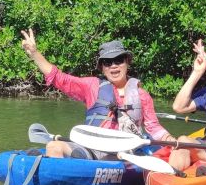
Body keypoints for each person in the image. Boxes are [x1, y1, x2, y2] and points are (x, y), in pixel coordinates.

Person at [19, 29, 175, 159]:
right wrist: (34, 53)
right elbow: (60, 79)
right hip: (91, 149)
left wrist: (170, 140)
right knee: (54, 146)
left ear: (127, 61)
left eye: (119, 60)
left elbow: (153, 128)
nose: (113, 66)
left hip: (122, 154)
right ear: (102, 67)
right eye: (107, 62)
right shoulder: (92, 86)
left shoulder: (141, 95)